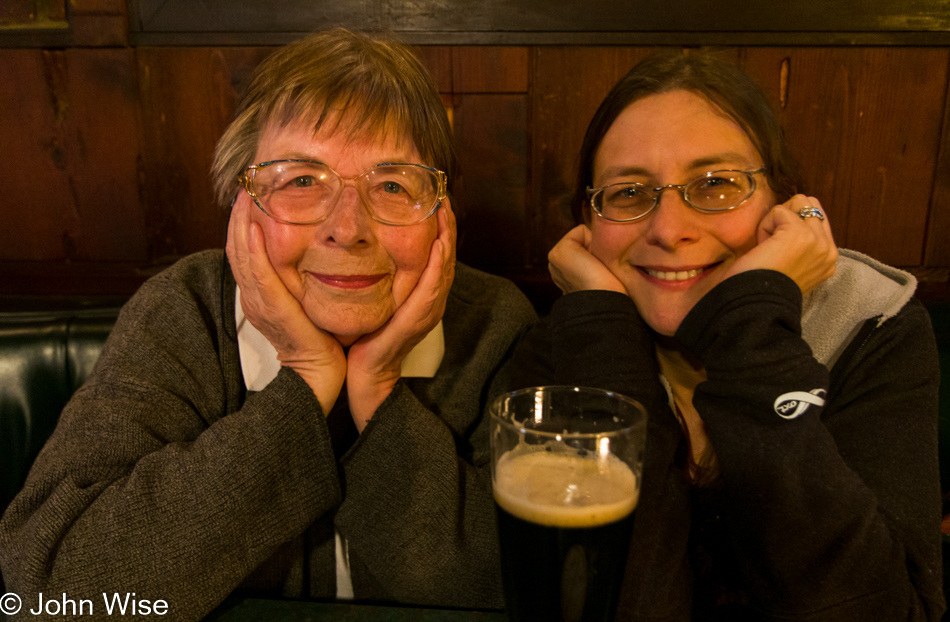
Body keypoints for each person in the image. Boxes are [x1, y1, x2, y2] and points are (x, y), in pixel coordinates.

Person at [0, 29, 536, 618]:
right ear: (243, 206)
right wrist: (305, 385)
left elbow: (535, 586)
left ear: (440, 214)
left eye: (391, 184)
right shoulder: (184, 310)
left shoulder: (495, 324)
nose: (347, 227)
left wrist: (378, 391)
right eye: (302, 181)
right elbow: (50, 589)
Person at [510, 52, 944, 620]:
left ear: (784, 205)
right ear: (587, 224)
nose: (668, 231)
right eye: (629, 193)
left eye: (716, 184)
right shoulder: (569, 349)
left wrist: (753, 323)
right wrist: (608, 346)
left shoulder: (873, 325)